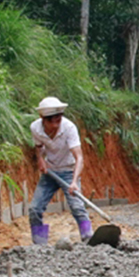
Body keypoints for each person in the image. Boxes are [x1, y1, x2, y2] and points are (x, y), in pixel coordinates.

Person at [28, 97, 92, 245]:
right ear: (42, 118)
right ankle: (40, 244)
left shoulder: (69, 128)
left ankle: (89, 239)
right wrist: (40, 160)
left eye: (58, 120)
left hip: (69, 171)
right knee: (35, 209)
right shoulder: (35, 128)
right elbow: (38, 147)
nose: (55, 125)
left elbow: (79, 157)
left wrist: (74, 181)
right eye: (51, 121)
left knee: (77, 207)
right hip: (50, 172)